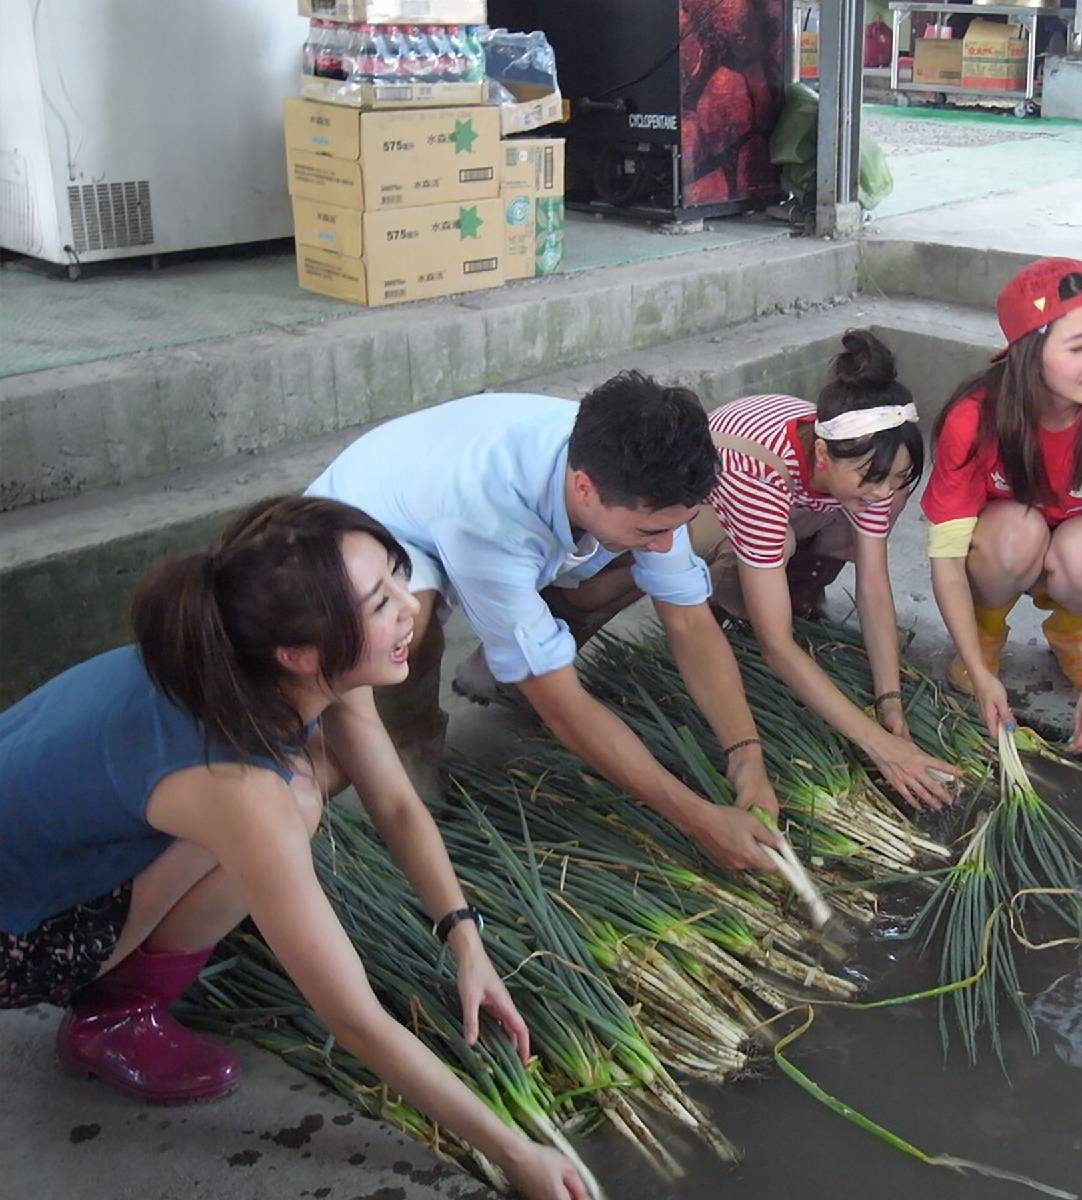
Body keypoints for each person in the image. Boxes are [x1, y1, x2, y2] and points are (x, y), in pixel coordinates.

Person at [0, 497, 585, 1200]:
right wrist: (515, 1152)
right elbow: (354, 1019)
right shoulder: (238, 788)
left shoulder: (256, 664)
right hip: (13, 943)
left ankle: (138, 951)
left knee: (304, 782)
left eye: (400, 577)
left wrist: (466, 939)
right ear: (300, 653)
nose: (411, 607)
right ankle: (112, 1019)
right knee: (287, 802)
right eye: (380, 603)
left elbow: (395, 801)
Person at [306, 373, 781, 873]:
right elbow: (564, 708)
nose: (666, 543)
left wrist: (745, 754)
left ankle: (501, 664)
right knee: (403, 634)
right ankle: (409, 747)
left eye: (676, 526)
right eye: (652, 529)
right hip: (365, 522)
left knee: (632, 562)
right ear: (584, 488)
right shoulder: (492, 516)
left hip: (442, 490)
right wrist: (702, 821)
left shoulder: (635, 475)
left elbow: (689, 624)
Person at [697, 330, 960, 810]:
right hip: (706, 511)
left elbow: (875, 590)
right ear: (822, 453)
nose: (885, 491)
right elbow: (777, 649)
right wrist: (881, 747)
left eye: (900, 477)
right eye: (874, 478)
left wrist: (890, 702)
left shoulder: (871, 460)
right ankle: (714, 613)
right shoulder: (756, 475)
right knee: (776, 549)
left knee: (856, 522)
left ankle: (793, 594)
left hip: (800, 499)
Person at [921, 257, 1082, 754]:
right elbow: (946, 563)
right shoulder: (974, 419)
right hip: (1007, 551)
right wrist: (972, 661)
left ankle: (1071, 633)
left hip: (1078, 554)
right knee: (1016, 531)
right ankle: (987, 634)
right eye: (1077, 347)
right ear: (1028, 356)